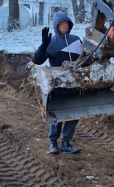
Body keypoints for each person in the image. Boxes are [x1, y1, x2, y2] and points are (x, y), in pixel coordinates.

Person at [32, 12, 82, 154]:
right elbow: (36, 60)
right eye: (62, 23)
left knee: (74, 113)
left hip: (74, 83)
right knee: (57, 114)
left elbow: (86, 59)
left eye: (67, 23)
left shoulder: (77, 40)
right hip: (57, 84)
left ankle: (66, 143)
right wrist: (43, 46)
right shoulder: (52, 42)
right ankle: (53, 143)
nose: (65, 25)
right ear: (56, 26)